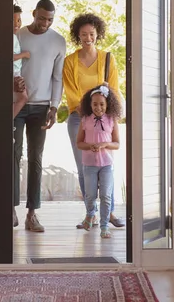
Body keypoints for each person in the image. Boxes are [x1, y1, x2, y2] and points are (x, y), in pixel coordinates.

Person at [63, 13, 125, 228]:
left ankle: (110, 212)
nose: (87, 37)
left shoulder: (108, 58)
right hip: (79, 118)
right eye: (83, 34)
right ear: (77, 35)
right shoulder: (70, 61)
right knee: (84, 167)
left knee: (107, 164)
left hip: (105, 118)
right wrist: (87, 113)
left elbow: (114, 90)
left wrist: (103, 113)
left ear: (97, 34)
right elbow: (71, 93)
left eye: (91, 34)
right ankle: (91, 213)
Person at [14, 0, 66, 232]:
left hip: (42, 106)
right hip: (15, 105)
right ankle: (10, 210)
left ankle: (32, 214)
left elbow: (58, 78)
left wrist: (54, 106)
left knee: (36, 158)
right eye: (42, 17)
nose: (45, 23)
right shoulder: (18, 35)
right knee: (12, 157)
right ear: (34, 13)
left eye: (50, 20)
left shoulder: (58, 41)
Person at [77, 84, 122, 239]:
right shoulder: (85, 120)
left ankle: (104, 227)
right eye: (95, 104)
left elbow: (117, 144)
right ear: (90, 105)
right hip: (89, 164)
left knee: (106, 195)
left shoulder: (111, 120)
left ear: (107, 104)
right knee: (90, 195)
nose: (98, 107)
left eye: (102, 104)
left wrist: (105, 144)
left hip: (106, 165)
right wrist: (90, 146)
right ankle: (90, 214)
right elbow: (79, 143)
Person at [13, 4, 30, 118]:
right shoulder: (9, 37)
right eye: (13, 20)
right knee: (23, 97)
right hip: (14, 73)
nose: (16, 24)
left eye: (19, 20)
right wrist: (24, 54)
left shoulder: (14, 36)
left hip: (16, 72)